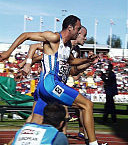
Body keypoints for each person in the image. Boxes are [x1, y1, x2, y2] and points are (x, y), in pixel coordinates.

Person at [0, 15, 107, 145]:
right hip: (50, 84)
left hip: (45, 89)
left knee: (34, 122)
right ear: (70, 28)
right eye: (78, 29)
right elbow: (26, 35)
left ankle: (13, 143)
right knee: (87, 105)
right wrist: (8, 53)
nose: (79, 32)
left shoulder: (67, 47)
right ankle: (93, 143)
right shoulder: (54, 38)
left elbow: (72, 62)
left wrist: (88, 60)